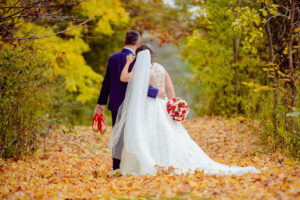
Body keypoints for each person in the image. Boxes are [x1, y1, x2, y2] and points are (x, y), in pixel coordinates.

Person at [110, 45, 261, 176]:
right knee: (169, 133)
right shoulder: (161, 68)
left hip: (149, 105)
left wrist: (128, 63)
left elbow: (123, 77)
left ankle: (151, 161)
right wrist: (172, 103)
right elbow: (169, 87)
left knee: (147, 132)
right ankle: (168, 159)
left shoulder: (142, 72)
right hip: (163, 105)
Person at [95, 31, 166, 172]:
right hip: (135, 105)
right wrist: (156, 93)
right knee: (135, 133)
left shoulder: (113, 58)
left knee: (118, 135)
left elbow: (106, 83)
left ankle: (116, 166)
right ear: (137, 43)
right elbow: (141, 86)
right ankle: (133, 164)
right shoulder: (139, 60)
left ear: (124, 40)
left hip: (116, 103)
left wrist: (101, 103)